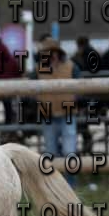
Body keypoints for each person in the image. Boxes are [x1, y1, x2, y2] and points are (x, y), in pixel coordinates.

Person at [33, 38, 80, 186]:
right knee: (51, 151)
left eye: (52, 52)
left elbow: (81, 87)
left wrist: (75, 99)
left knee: (69, 151)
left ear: (58, 53)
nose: (50, 55)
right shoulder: (38, 69)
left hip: (67, 113)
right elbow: (30, 88)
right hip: (48, 114)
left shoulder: (71, 66)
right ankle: (55, 184)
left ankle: (70, 184)